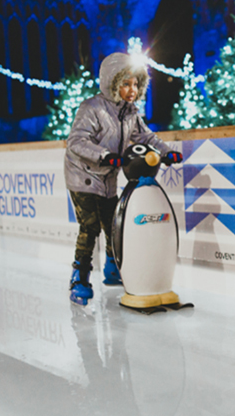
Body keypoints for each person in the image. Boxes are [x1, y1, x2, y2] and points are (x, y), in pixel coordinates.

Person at [64, 52, 183, 305]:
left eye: (136, 83)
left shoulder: (130, 112)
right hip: (82, 176)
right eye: (126, 83)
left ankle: (113, 268)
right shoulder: (92, 108)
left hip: (107, 178)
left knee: (114, 224)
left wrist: (166, 152)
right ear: (112, 82)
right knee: (91, 226)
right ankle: (79, 278)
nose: (133, 89)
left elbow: (146, 137)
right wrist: (105, 156)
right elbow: (76, 141)